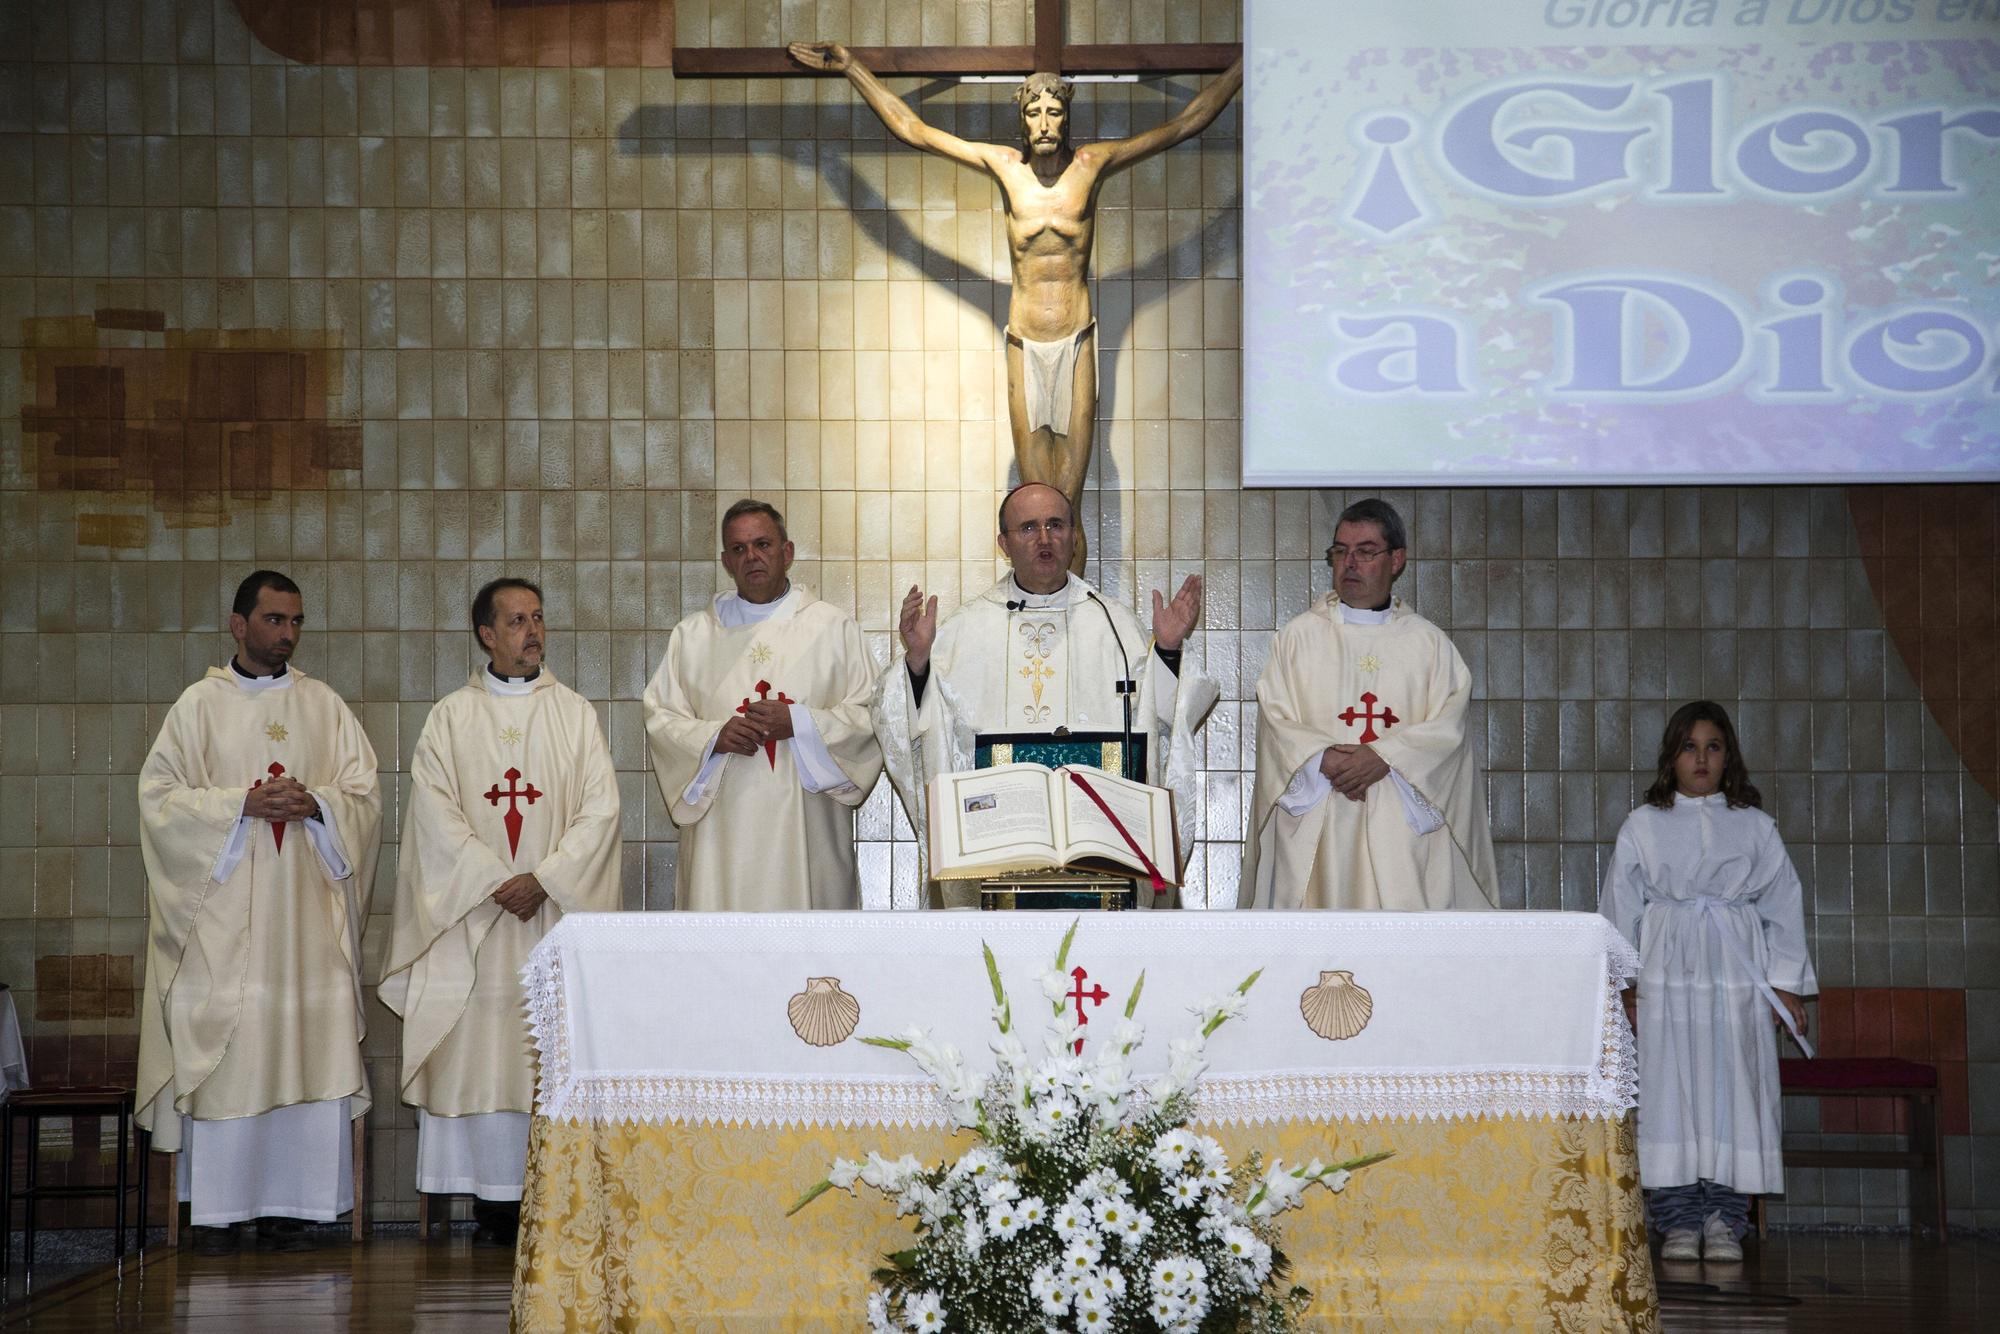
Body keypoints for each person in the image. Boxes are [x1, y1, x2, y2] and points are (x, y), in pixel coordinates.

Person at [788, 41, 1244, 572]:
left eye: (1054, 110)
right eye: (1034, 112)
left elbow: (1187, 122)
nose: (1045, 121)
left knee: (1065, 507)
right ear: (1022, 120)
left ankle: (1076, 620)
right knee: (1035, 497)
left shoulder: (1092, 165)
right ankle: (1032, 610)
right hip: (1023, 340)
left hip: (1076, 337)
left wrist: (1244, 66)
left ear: (1066, 116)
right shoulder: (1004, 167)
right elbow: (913, 131)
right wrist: (853, 69)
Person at [135, 570, 382, 1254]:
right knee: (232, 1052)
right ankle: (220, 1211)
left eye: (296, 621)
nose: (288, 634)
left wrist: (321, 806)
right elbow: (157, 800)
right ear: (238, 625)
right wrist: (237, 805)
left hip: (306, 927)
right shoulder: (198, 706)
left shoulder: (325, 706)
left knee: (307, 1048)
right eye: (275, 620)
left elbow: (364, 799)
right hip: (226, 929)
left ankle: (297, 1207)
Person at [379, 578, 621, 1247]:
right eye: (516, 620)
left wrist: (545, 879)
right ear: (487, 634)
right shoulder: (451, 718)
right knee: (479, 1056)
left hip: (550, 918)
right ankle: (491, 1207)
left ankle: (551, 1201)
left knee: (543, 1056)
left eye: (538, 617)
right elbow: (432, 813)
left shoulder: (574, 714)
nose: (532, 630)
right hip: (478, 925)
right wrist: (493, 880)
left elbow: (602, 810)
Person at [876, 481, 1219, 907]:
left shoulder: (1115, 624)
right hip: (996, 859)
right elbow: (906, 723)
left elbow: (1166, 721)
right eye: (1028, 528)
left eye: (1055, 525)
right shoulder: (962, 631)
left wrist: (1166, 651)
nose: (1044, 539)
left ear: (1074, 536)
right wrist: (918, 662)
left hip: (1103, 862)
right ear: (1003, 542)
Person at [1601, 700, 1816, 1265]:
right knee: (1670, 1095)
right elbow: (1619, 911)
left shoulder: (1754, 826)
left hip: (1734, 975)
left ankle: (1724, 1220)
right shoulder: (1643, 825)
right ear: (1671, 756)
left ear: (1728, 757)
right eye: (1689, 747)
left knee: (1733, 1091)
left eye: (1712, 747)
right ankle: (1676, 1220)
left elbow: (1784, 906)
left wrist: (1786, 985)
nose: (1701, 758)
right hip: (1667, 976)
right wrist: (1625, 988)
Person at [1239, 498, 1496, 910]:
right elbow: (1276, 719)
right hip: (1318, 832)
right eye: (1340, 551)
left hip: (1400, 839)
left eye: (1365, 551)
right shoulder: (1298, 639)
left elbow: (1449, 732)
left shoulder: (1428, 646)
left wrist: (1385, 758)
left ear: (1397, 560)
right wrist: (1320, 758)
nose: (1350, 563)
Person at [643, 500, 884, 910]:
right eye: (738, 549)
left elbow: (873, 719)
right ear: (726, 561)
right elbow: (661, 720)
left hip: (806, 836)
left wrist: (800, 723)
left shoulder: (833, 629)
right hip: (722, 845)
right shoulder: (693, 637)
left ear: (786, 553)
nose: (751, 556)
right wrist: (713, 737)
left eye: (762, 544)